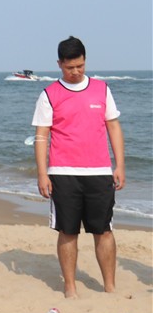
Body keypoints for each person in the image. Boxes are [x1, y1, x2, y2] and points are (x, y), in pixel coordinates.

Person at [32, 35, 125, 299]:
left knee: (103, 230)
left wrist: (120, 165)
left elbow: (113, 127)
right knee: (68, 231)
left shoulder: (102, 89)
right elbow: (41, 136)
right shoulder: (49, 94)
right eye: (70, 67)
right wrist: (42, 173)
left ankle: (110, 286)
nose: (75, 71)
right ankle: (70, 287)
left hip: (99, 172)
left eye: (80, 66)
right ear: (59, 64)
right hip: (63, 174)